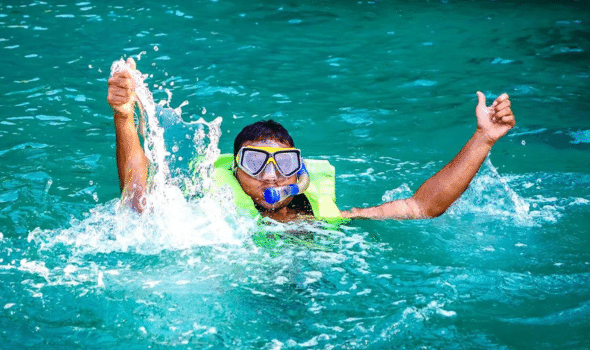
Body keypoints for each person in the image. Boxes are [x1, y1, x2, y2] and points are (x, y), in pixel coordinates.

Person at [107, 58, 515, 222]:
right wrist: (124, 117)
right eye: (254, 164)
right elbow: (136, 197)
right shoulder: (205, 219)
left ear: (300, 171)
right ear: (234, 170)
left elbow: (423, 206)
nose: (270, 178)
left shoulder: (323, 216)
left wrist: (483, 139)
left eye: (282, 164)